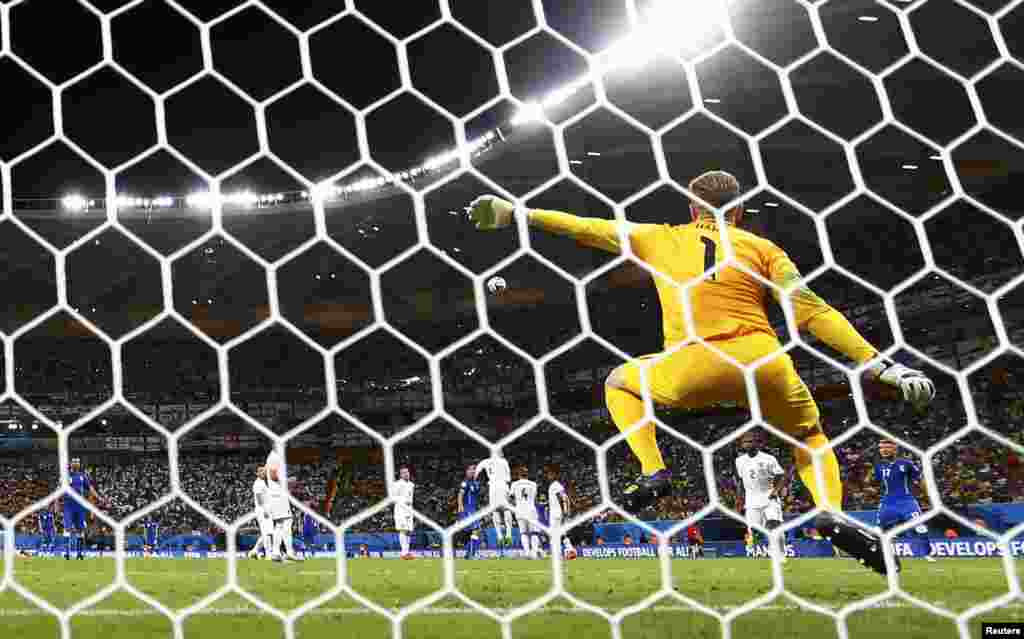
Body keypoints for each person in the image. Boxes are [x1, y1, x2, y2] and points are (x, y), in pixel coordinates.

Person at [466, 173, 936, 575]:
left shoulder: (662, 237)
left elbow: (586, 227)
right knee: (809, 437)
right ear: (742, 210)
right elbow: (813, 312)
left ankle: (654, 473)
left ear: (693, 208)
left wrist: (515, 213)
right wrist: (882, 366)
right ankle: (831, 514)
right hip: (764, 362)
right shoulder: (762, 248)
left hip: (692, 366)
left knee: (619, 381)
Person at [869, 440, 936, 562]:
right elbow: (878, 483)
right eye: (881, 448)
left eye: (887, 448)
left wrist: (929, 496)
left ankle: (927, 554)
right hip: (888, 502)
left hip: (907, 502)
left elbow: (920, 480)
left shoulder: (906, 463)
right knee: (878, 530)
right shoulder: (879, 466)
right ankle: (879, 554)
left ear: (895, 450)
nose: (883, 450)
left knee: (920, 527)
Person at [735, 431, 787, 563]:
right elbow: (741, 481)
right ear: (742, 445)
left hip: (768, 497)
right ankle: (756, 552)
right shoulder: (739, 461)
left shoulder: (769, 459)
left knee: (774, 523)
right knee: (754, 531)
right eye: (746, 442)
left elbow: (781, 475)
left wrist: (776, 490)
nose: (748, 444)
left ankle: (780, 555)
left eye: (751, 441)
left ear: (758, 444)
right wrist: (739, 499)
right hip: (751, 500)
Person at [264, 450, 301, 562]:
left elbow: (268, 475)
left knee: (281, 525)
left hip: (276, 495)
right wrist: (287, 481)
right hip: (278, 496)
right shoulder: (274, 457)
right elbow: (273, 475)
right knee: (286, 522)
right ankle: (287, 551)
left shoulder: (272, 457)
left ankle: (278, 552)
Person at [474, 454, 515, 552]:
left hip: (492, 487)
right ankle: (508, 534)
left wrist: (476, 478)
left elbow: (477, 470)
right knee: (506, 509)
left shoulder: (486, 461)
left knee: (495, 511)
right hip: (503, 485)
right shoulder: (503, 461)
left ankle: (500, 536)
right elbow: (508, 478)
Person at [64, 458, 101, 560]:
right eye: (74, 462)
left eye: (78, 462)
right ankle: (67, 553)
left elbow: (90, 488)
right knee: (67, 528)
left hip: (79, 506)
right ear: (71, 464)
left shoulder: (82, 476)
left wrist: (98, 497)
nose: (76, 464)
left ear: (79, 464)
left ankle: (79, 554)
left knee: (80, 529)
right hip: (69, 506)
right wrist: (56, 503)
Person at [509, 467, 541, 559]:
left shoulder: (514, 484)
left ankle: (527, 553)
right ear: (527, 474)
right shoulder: (533, 484)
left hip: (519, 510)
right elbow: (534, 497)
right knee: (534, 533)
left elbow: (511, 497)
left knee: (523, 533)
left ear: (519, 474)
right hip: (531, 509)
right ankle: (534, 553)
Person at [546, 468, 576, 559]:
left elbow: (561, 498)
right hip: (559, 512)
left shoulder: (554, 485)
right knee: (562, 533)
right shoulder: (559, 486)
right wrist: (566, 511)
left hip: (556, 513)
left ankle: (557, 553)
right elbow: (565, 498)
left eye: (550, 474)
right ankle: (570, 550)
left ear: (554, 475)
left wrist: (564, 511)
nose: (548, 476)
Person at [248, 466, 274, 560]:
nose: (264, 473)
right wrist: (265, 510)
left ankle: (254, 552)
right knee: (267, 533)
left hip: (266, 510)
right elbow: (259, 499)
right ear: (257, 473)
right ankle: (268, 554)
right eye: (262, 472)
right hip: (262, 511)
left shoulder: (263, 482)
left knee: (268, 533)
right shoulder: (258, 484)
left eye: (265, 472)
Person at [457, 464, 482, 560]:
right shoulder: (465, 482)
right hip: (467, 510)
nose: (473, 472)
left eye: (474, 470)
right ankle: (471, 554)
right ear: (467, 471)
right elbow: (460, 494)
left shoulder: (476, 483)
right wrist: (460, 506)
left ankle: (469, 554)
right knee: (476, 530)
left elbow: (476, 498)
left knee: (471, 533)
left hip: (474, 510)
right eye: (471, 470)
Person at [393, 466, 416, 560]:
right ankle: (404, 553)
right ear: (401, 474)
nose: (407, 474)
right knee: (403, 530)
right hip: (400, 510)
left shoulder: (411, 484)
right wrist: (403, 502)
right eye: (404, 472)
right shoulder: (397, 484)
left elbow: (411, 498)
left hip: (409, 510)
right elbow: (393, 497)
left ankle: (407, 552)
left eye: (408, 472)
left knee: (409, 531)